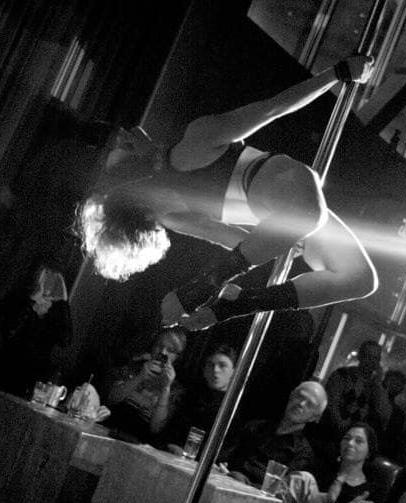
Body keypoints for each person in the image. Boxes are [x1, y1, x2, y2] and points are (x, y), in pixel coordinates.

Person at [78, 54, 378, 331]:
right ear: (133, 174)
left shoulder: (173, 199)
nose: (132, 133)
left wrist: (338, 73)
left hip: (293, 200)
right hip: (291, 218)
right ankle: (232, 301)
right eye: (124, 143)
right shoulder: (187, 164)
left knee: (323, 234)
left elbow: (236, 243)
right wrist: (335, 73)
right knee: (359, 278)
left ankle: (213, 292)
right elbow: (274, 107)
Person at [222, 380, 328, 487]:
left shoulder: (302, 454)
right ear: (291, 396)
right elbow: (224, 456)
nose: (301, 404)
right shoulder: (255, 427)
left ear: (314, 417)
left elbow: (280, 491)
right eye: (300, 396)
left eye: (310, 404)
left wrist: (244, 482)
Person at [0, 258, 72, 397]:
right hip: (6, 370)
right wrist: (31, 304)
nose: (49, 283)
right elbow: (9, 331)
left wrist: (63, 302)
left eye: (54, 279)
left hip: (32, 380)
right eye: (46, 276)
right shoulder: (17, 299)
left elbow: (66, 340)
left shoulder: (55, 312)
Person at [104, 326, 187, 442]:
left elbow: (156, 428)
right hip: (110, 429)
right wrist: (139, 377)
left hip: (140, 442)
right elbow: (111, 399)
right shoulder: (133, 366)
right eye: (159, 346)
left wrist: (166, 388)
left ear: (178, 357)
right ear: (153, 346)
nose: (163, 353)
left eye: (170, 350)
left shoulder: (175, 389)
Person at [162, 344, 237, 452]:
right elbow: (171, 428)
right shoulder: (191, 394)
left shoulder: (232, 407)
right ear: (204, 370)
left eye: (222, 365)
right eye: (210, 365)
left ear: (233, 372)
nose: (215, 370)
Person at [288, 422, 378, 503]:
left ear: (369, 452)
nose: (350, 443)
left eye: (358, 441)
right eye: (346, 438)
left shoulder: (371, 490)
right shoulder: (319, 470)